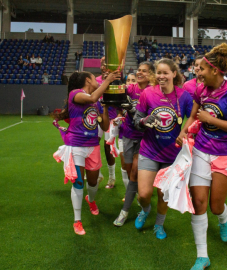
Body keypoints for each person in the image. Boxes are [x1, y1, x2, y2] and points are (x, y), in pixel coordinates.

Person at [176, 43, 227, 270]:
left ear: (215, 70)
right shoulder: (201, 89)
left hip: (226, 155)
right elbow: (193, 114)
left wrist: (211, 120)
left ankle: (223, 220)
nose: (198, 73)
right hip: (201, 150)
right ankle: (202, 256)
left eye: (202, 69)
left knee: (216, 206)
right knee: (198, 203)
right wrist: (184, 130)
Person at [52, 70, 120, 235]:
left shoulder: (96, 102)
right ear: (88, 80)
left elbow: (104, 127)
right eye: (94, 78)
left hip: (92, 146)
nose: (97, 80)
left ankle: (91, 200)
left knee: (93, 182)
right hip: (76, 145)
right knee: (79, 182)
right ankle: (77, 220)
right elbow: (92, 97)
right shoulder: (76, 94)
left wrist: (104, 109)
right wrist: (108, 81)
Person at [133, 58, 193, 239]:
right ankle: (145, 209)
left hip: (172, 155)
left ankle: (159, 224)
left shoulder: (184, 96)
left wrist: (185, 133)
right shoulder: (147, 94)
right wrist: (144, 121)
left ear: (174, 74)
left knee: (162, 195)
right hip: (149, 150)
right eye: (158, 73)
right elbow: (137, 121)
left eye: (165, 73)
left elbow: (191, 121)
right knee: (144, 194)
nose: (161, 76)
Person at [113, 62, 155, 227]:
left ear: (151, 74)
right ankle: (142, 196)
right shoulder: (130, 89)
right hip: (129, 135)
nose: (139, 73)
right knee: (130, 171)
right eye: (138, 70)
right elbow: (114, 99)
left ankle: (124, 212)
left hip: (145, 137)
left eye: (144, 71)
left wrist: (135, 110)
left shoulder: (153, 92)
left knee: (133, 175)